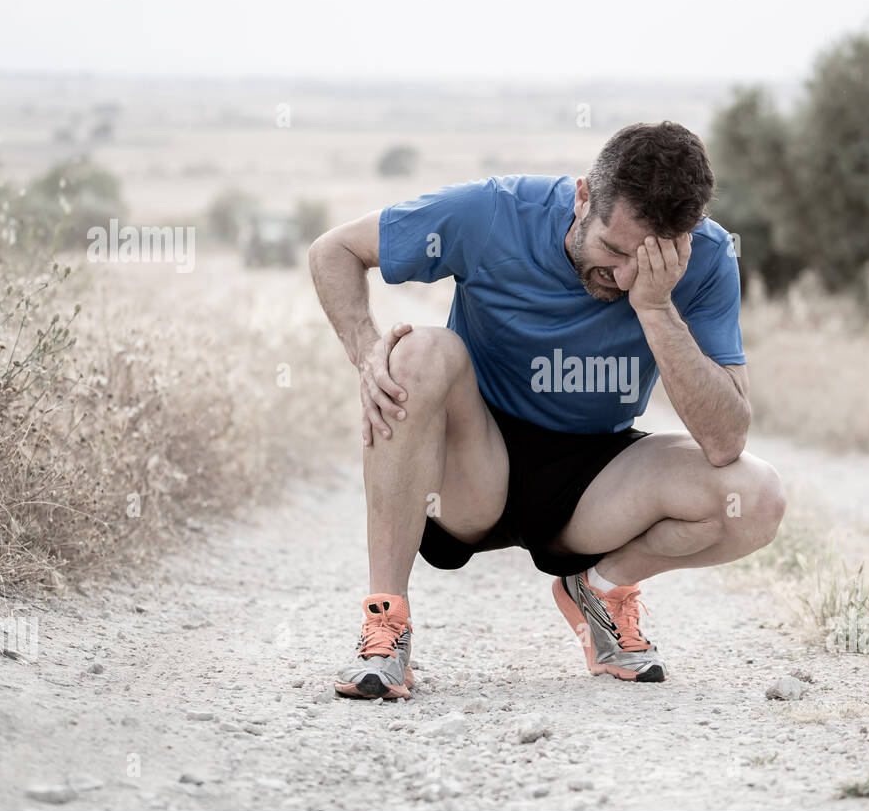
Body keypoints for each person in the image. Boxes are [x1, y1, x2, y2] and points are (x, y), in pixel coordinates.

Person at [308, 121, 785, 699]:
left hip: (593, 482)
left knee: (757, 498)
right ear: (583, 197)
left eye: (646, 262)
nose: (623, 275)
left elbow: (724, 441)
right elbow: (335, 250)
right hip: (474, 464)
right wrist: (367, 359)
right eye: (612, 250)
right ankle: (385, 626)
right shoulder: (494, 212)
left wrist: (657, 307)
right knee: (417, 354)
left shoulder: (705, 258)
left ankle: (598, 590)